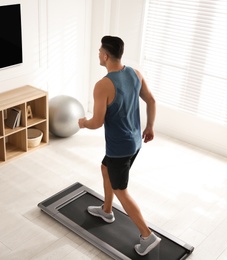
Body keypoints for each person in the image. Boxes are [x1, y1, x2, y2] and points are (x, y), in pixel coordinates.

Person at [78, 35, 160, 256]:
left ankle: (147, 236)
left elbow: (96, 122)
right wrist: (150, 126)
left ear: (105, 55)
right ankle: (106, 210)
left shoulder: (103, 85)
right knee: (105, 168)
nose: (98, 55)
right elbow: (151, 100)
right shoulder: (135, 73)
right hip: (134, 143)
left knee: (121, 190)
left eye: (99, 52)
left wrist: (83, 123)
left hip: (119, 148)